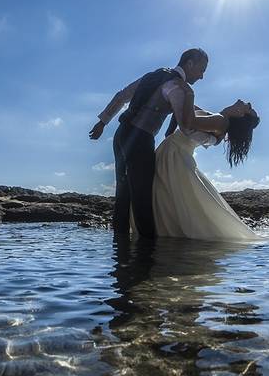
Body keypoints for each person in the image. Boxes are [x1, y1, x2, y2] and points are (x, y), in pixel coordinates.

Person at [89, 48, 224, 239]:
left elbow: (121, 96)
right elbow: (186, 125)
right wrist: (213, 139)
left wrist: (103, 122)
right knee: (143, 199)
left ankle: (120, 255)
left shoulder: (153, 76)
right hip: (140, 140)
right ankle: (147, 256)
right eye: (201, 69)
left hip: (121, 135)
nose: (202, 76)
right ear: (190, 63)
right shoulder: (177, 86)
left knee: (123, 196)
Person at [153, 99, 263, 241]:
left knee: (165, 197)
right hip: (176, 154)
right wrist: (169, 130)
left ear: (240, 114)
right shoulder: (218, 118)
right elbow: (184, 108)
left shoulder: (220, 121)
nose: (247, 103)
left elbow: (187, 121)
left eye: (248, 107)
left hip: (174, 154)